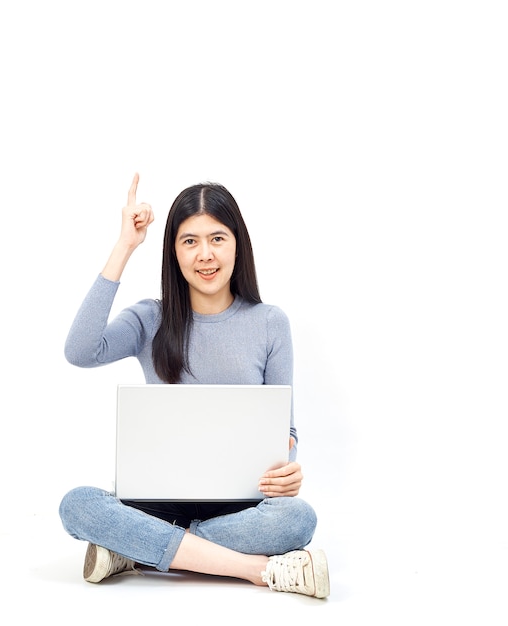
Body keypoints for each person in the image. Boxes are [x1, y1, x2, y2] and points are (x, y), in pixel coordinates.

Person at [58, 173, 330, 598]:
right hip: (155, 500)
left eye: (217, 239)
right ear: (174, 252)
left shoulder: (269, 323)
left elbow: (286, 433)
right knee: (77, 504)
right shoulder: (150, 318)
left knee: (299, 519)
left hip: (239, 504)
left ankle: (135, 549)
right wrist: (124, 246)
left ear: (238, 244)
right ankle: (253, 570)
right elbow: (80, 350)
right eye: (190, 241)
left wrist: (287, 470)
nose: (205, 254)